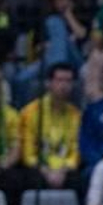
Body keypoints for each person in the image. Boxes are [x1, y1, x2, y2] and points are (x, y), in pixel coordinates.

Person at [18, 63, 81, 193]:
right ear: (48, 83)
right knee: (28, 178)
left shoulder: (77, 115)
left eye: (68, 81)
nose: (64, 85)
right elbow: (28, 154)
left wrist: (62, 171)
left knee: (79, 180)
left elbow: (76, 151)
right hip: (39, 168)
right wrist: (46, 171)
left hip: (65, 169)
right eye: (59, 80)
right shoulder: (30, 112)